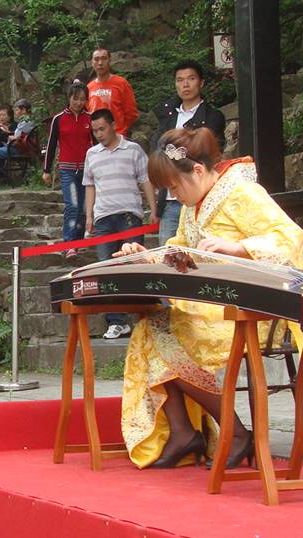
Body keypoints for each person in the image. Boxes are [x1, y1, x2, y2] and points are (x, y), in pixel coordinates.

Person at [117, 127, 303, 470]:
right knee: (150, 328)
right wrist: (146, 255)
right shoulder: (195, 204)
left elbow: (289, 237)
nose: (173, 195)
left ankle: (233, 432)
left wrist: (239, 248)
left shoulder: (243, 192)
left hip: (256, 309)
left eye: (174, 186)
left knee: (165, 336)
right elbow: (179, 249)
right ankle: (183, 431)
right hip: (214, 307)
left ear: (199, 171)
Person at [83, 108, 157, 339]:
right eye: (95, 131)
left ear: (114, 125)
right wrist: (88, 217)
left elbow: (145, 180)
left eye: (102, 129)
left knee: (133, 265)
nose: (99, 134)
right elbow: (90, 186)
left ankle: (142, 316)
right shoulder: (92, 154)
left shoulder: (133, 150)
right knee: (106, 269)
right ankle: (116, 321)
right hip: (103, 217)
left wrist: (153, 209)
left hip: (129, 215)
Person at [152, 60, 227, 245]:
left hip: (200, 194)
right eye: (180, 80)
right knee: (168, 254)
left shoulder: (213, 117)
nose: (185, 84)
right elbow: (156, 147)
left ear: (201, 83)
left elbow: (204, 151)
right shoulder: (168, 116)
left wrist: (170, 151)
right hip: (170, 197)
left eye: (191, 78)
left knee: (203, 250)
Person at [43, 82, 95, 254]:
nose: (78, 103)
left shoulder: (90, 118)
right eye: (75, 98)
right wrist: (46, 170)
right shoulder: (59, 119)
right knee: (72, 205)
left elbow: (96, 145)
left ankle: (78, 241)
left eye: (82, 99)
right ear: (69, 98)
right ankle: (69, 243)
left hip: (87, 169)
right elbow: (51, 145)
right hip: (67, 169)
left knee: (83, 208)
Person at [87, 47, 140, 136]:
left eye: (104, 59)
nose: (100, 63)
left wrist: (122, 130)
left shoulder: (121, 83)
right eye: (96, 59)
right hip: (96, 139)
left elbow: (131, 113)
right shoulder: (89, 87)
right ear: (92, 63)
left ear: (109, 61)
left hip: (118, 136)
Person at [0, 98, 38, 162]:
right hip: (17, 147)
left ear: (23, 110)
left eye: (17, 110)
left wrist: (6, 133)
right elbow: (17, 136)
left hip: (20, 149)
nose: (15, 113)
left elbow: (16, 139)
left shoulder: (27, 122)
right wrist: (7, 131)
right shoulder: (24, 121)